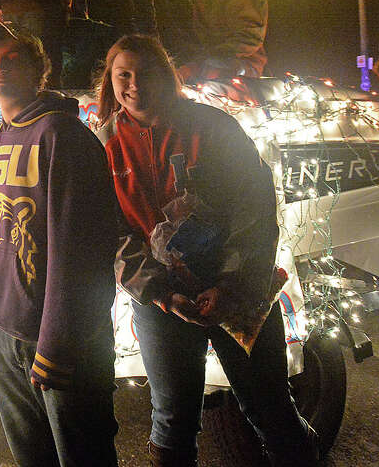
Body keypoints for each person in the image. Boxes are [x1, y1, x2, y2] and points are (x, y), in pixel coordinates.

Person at [95, 34, 317, 467]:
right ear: (111, 80)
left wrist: (231, 282)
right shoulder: (104, 143)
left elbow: (253, 207)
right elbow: (112, 232)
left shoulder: (215, 127)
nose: (134, 84)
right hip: (164, 303)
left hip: (238, 290)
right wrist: (158, 291)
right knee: (172, 420)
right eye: (124, 74)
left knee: (268, 407)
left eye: (146, 73)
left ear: (168, 76)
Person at [0, 19, 119, 467]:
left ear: (41, 71)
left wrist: (56, 345)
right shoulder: (6, 132)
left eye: (12, 59)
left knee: (83, 457)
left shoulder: (62, 136)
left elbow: (80, 251)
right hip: (7, 333)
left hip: (58, 343)